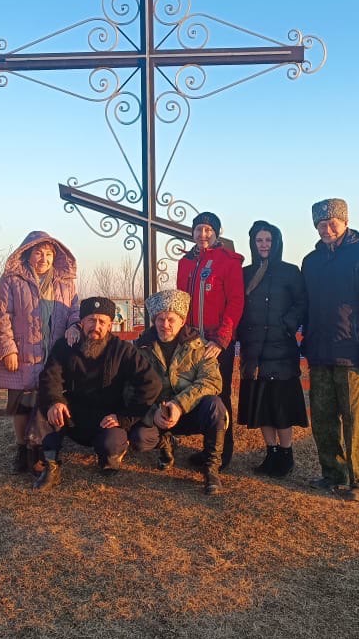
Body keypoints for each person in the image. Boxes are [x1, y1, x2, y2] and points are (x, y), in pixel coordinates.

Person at [300, 198, 359, 503]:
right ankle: (332, 474)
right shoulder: (311, 261)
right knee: (323, 419)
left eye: (331, 223)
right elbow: (306, 305)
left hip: (353, 355)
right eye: (320, 224)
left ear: (345, 221)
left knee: (355, 420)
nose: (326, 229)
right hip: (320, 352)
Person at [32, 297, 161, 491]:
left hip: (106, 419)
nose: (96, 326)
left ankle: (111, 455)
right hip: (71, 415)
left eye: (102, 321)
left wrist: (124, 417)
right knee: (45, 409)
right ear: (81, 322)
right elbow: (50, 378)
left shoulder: (123, 350)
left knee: (111, 446)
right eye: (91, 320)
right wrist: (55, 401)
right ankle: (50, 464)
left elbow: (152, 383)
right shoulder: (65, 346)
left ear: (110, 325)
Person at [0, 231, 80, 474]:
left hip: (53, 353)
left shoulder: (65, 282)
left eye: (49, 254)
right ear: (28, 254)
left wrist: (75, 326)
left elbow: (74, 311)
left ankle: (43, 449)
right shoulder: (11, 280)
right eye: (38, 253)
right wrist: (8, 349)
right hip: (22, 351)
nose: (43, 258)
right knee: (22, 403)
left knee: (48, 400)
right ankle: (22, 449)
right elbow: (2, 317)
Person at [128, 289, 227, 495]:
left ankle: (211, 469)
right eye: (160, 319)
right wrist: (154, 412)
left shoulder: (200, 348)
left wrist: (180, 405)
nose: (165, 325)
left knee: (215, 406)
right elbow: (130, 389)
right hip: (158, 415)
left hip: (190, 412)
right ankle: (165, 442)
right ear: (154, 321)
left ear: (182, 321)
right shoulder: (140, 350)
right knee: (139, 438)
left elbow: (212, 381)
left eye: (171, 319)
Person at [237, 220, 309, 477]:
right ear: (253, 243)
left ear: (276, 243)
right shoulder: (244, 273)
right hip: (254, 350)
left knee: (280, 405)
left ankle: (286, 454)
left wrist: (287, 324)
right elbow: (237, 306)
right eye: (259, 240)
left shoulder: (290, 272)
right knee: (262, 405)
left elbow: (302, 302)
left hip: (281, 349)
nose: (264, 245)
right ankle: (271, 452)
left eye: (268, 240)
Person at [176, 211, 244, 469]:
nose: (203, 235)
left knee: (220, 394)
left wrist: (222, 339)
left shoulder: (228, 261)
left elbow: (235, 302)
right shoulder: (185, 262)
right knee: (190, 390)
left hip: (216, 343)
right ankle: (205, 449)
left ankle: (221, 454)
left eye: (208, 230)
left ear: (216, 233)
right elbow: (180, 302)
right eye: (198, 229)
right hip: (191, 341)